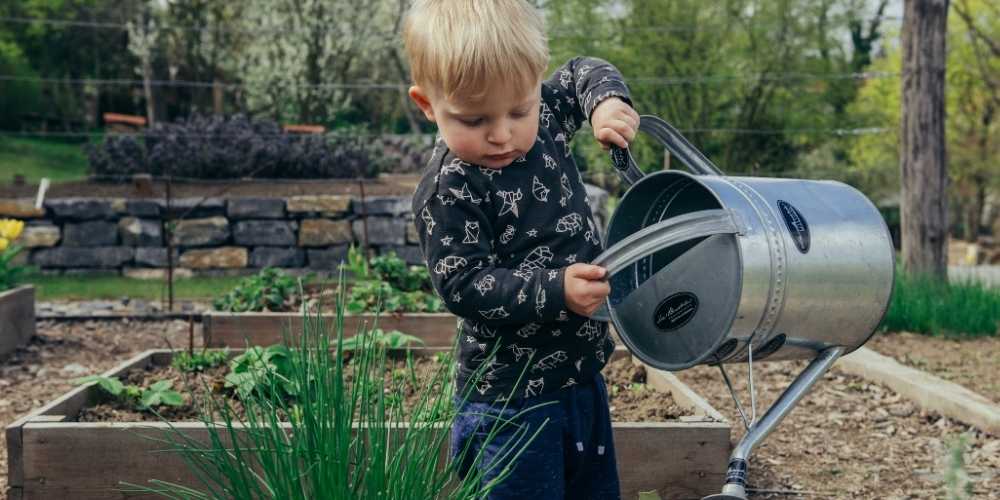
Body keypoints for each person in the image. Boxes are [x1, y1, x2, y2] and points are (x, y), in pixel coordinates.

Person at [404, 1, 639, 498]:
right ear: (428, 105)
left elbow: (582, 72)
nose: (501, 134)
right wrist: (555, 290)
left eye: (519, 110)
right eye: (473, 119)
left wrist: (605, 103)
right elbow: (463, 283)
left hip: (582, 378)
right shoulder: (451, 188)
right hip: (510, 403)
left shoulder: (548, 114)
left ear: (535, 87)